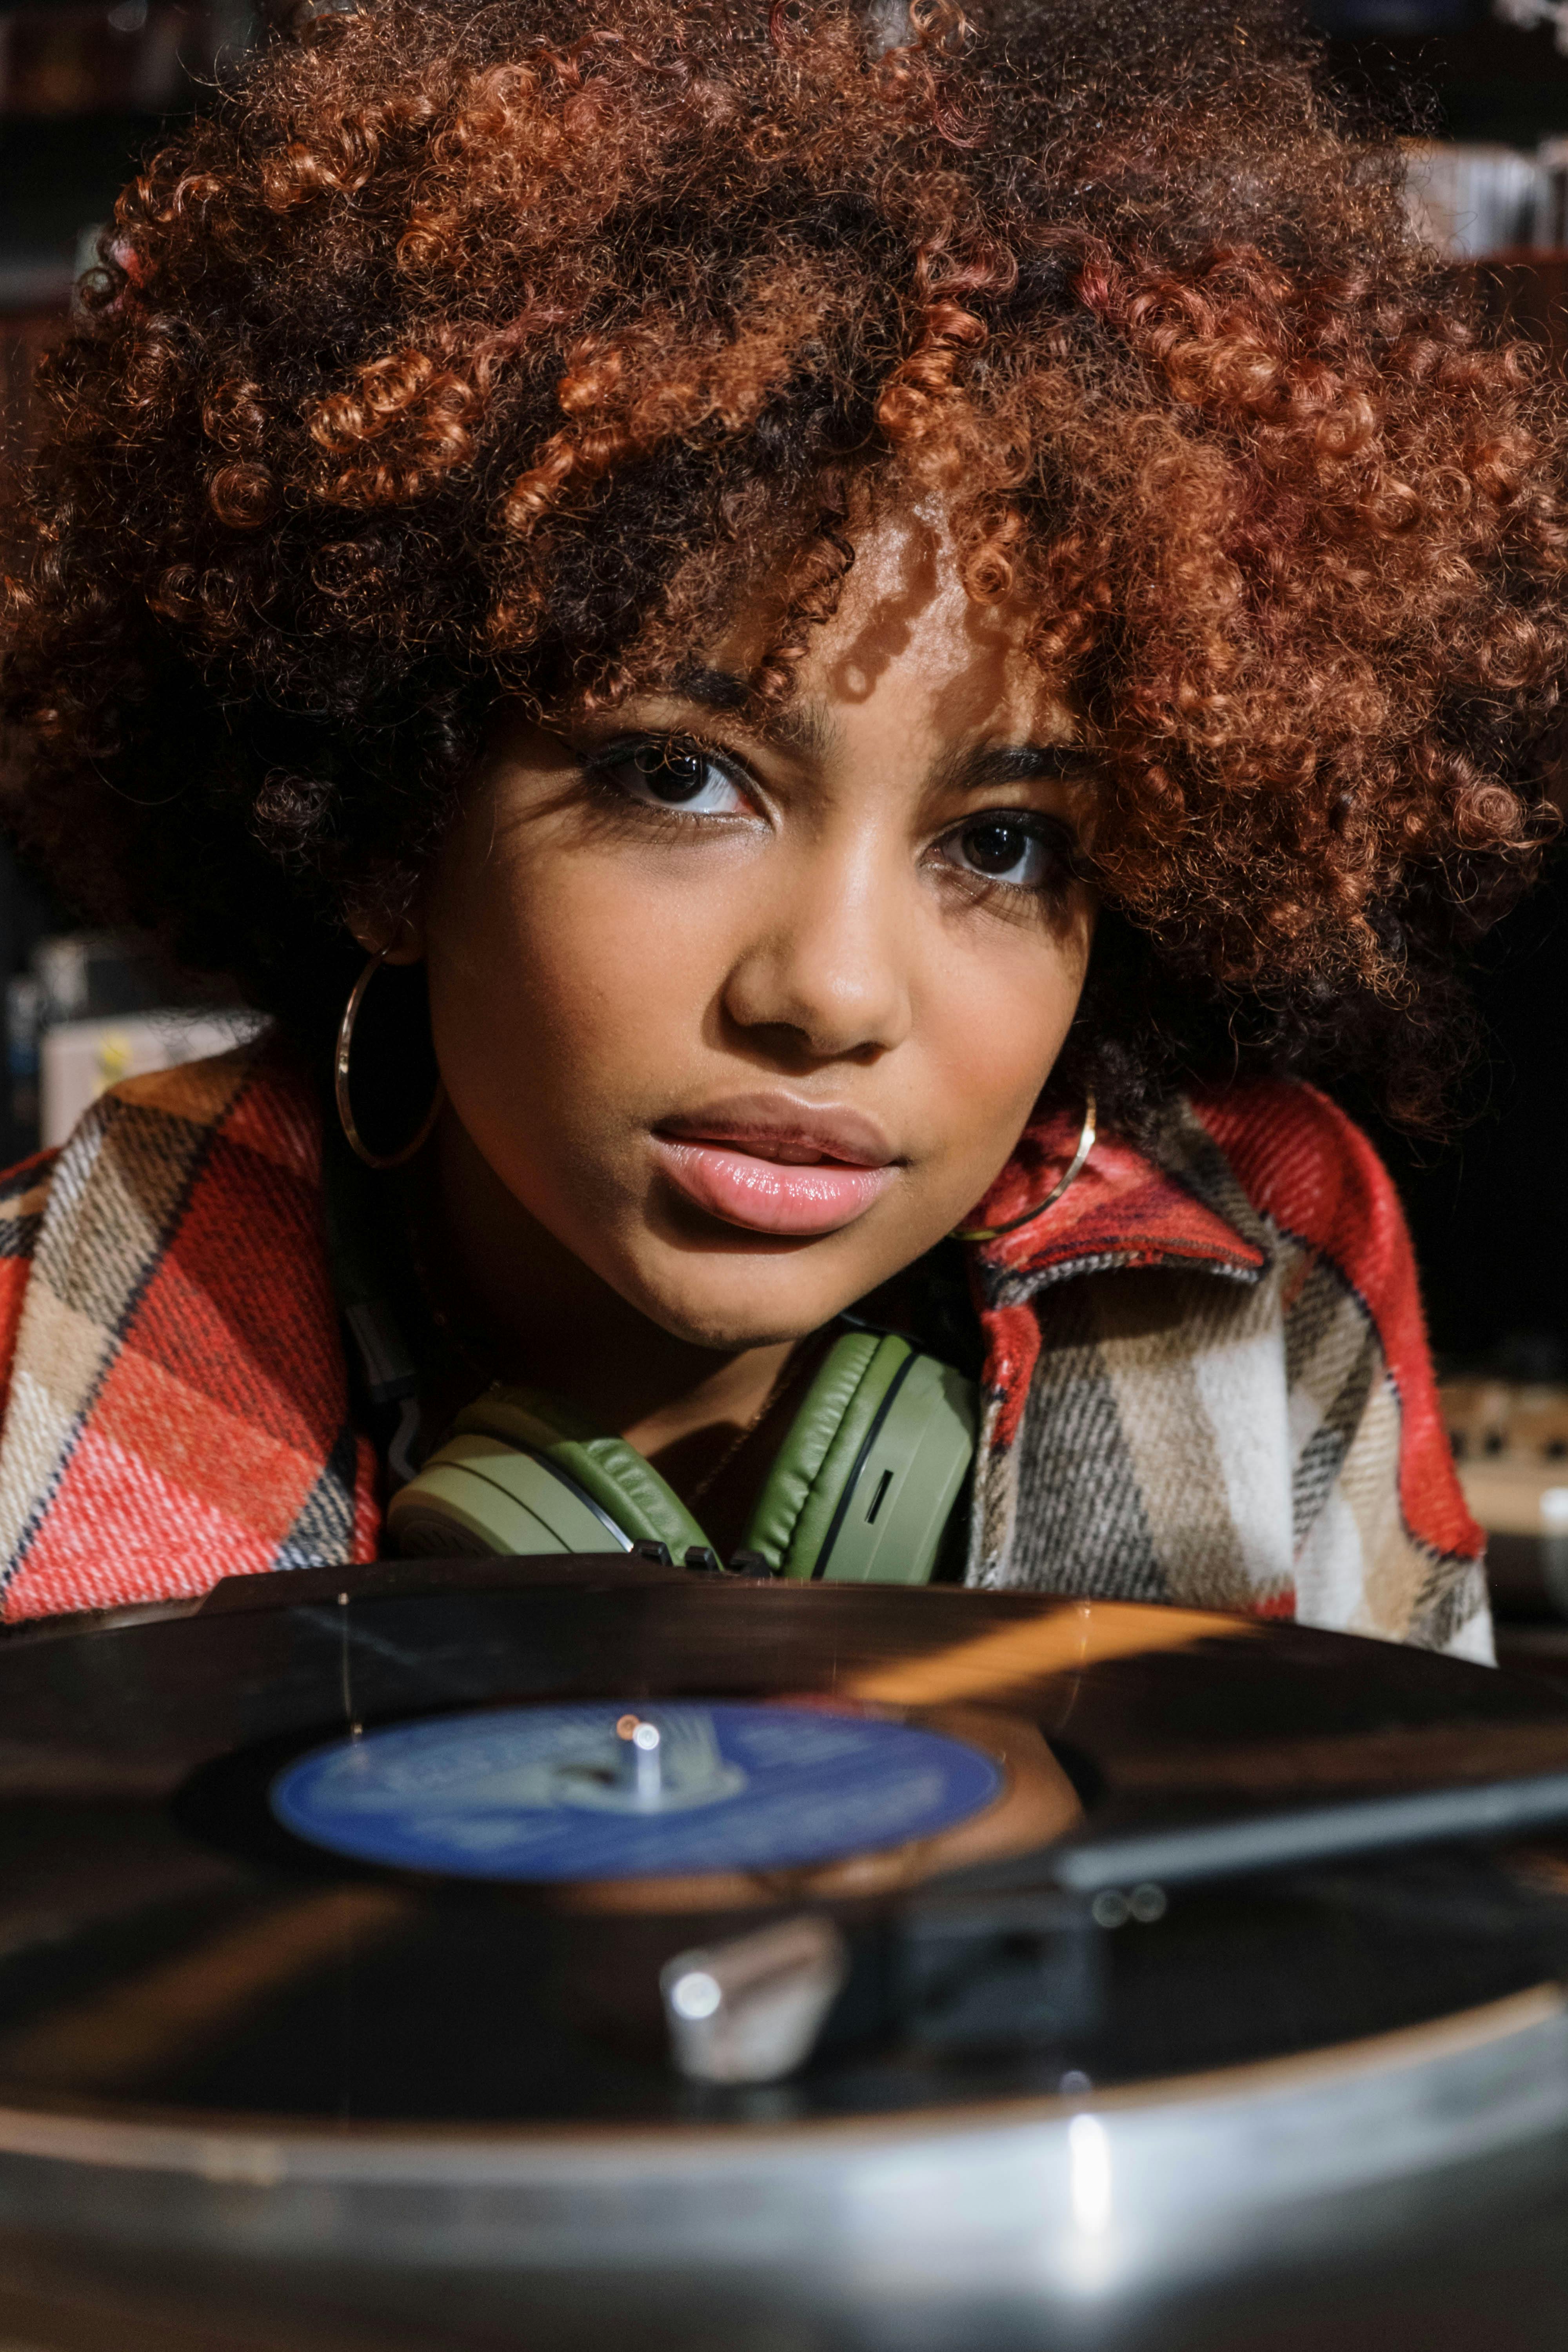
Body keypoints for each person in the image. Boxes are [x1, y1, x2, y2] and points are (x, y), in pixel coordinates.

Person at [0, 0, 1561, 1650]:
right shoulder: (42, 1334)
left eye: (1004, 842)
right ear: (394, 824)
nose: (829, 995)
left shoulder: (1261, 1254)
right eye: (678, 778)